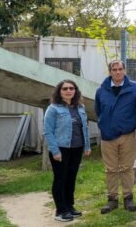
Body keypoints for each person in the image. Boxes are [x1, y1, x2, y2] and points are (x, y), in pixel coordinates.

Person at [95, 60, 136, 214]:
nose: (117, 72)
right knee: (111, 169)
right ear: (110, 72)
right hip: (108, 136)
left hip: (127, 134)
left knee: (127, 167)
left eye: (120, 69)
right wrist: (105, 126)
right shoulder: (101, 90)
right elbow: (98, 111)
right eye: (114, 69)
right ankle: (112, 199)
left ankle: (128, 197)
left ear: (124, 70)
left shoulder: (135, 88)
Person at [44, 80, 91, 222]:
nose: (68, 91)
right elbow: (47, 131)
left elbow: (85, 129)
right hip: (61, 149)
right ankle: (61, 210)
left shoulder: (80, 107)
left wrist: (87, 146)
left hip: (76, 148)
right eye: (65, 89)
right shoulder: (53, 108)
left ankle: (70, 207)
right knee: (60, 179)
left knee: (71, 178)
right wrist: (55, 151)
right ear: (59, 91)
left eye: (71, 88)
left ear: (75, 91)